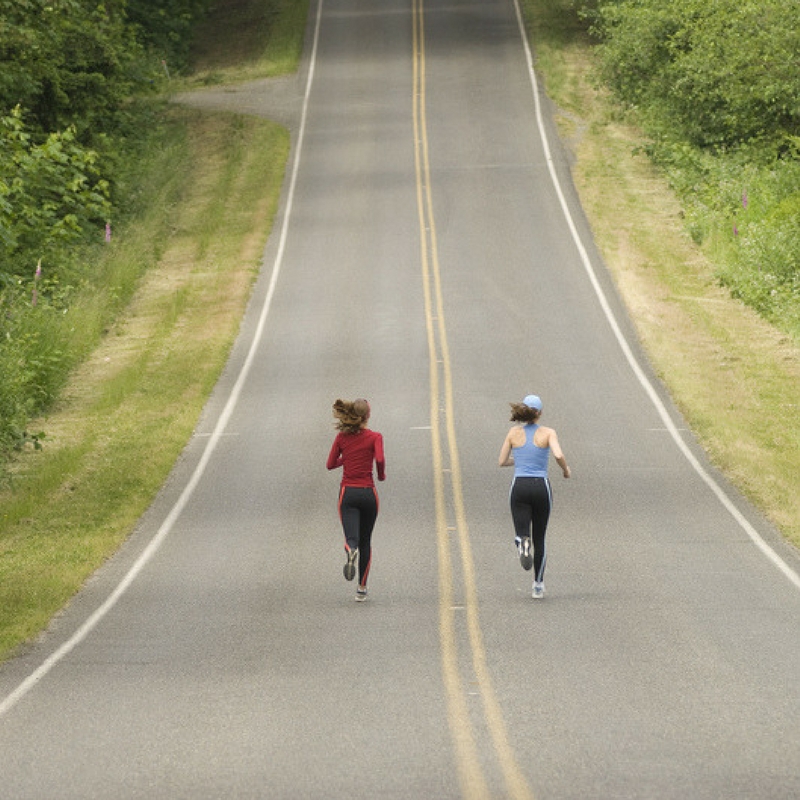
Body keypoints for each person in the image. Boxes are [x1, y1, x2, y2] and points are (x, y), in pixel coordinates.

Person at [498, 394, 570, 598]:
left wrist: (520, 460)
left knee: (523, 531)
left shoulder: (513, 433)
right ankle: (538, 585)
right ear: (540, 413)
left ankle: (522, 542)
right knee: (540, 538)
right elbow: (557, 454)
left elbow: (502, 461)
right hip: (541, 487)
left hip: (519, 486)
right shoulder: (548, 433)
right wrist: (566, 470)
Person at [326, 398, 385, 601]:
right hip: (369, 494)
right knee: (366, 540)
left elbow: (330, 464)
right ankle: (361, 588)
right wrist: (381, 475)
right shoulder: (375, 437)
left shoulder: (342, 438)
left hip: (348, 493)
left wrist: (347, 457)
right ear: (368, 415)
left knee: (352, 538)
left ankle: (351, 550)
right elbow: (379, 459)